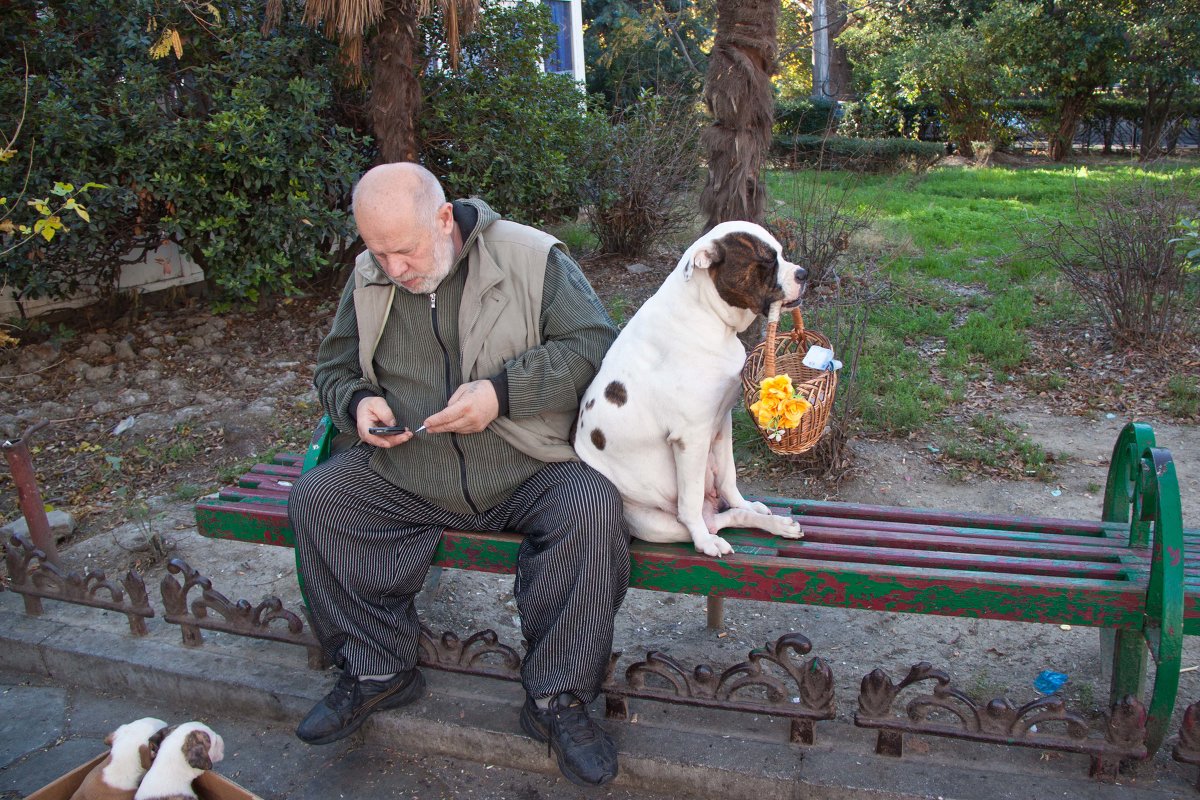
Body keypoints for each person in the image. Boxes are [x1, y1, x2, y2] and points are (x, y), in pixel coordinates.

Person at [288, 162, 630, 787]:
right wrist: (358, 403)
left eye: (405, 250)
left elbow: (593, 346)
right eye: (377, 251)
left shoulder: (532, 257)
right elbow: (333, 368)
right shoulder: (368, 276)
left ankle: (560, 697)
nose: (392, 268)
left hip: (528, 464)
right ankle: (376, 668)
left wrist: (503, 393)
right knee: (319, 498)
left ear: (444, 219)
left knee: (592, 506)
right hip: (409, 468)